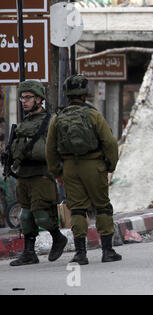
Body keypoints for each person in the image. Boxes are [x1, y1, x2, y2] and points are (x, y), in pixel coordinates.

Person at [46, 74, 121, 265]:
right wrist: (110, 165)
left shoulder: (58, 118)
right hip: (94, 166)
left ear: (67, 94)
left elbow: (50, 148)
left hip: (70, 168)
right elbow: (110, 142)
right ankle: (107, 251)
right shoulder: (94, 114)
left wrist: (57, 172)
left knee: (77, 210)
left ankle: (81, 253)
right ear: (84, 93)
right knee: (103, 206)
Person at [9, 80, 67, 266]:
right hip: (23, 174)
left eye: (28, 97)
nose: (23, 101)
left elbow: (56, 147)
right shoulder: (24, 123)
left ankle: (58, 238)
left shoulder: (50, 121)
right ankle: (29, 253)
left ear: (39, 99)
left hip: (42, 174)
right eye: (22, 98)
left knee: (41, 214)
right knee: (25, 217)